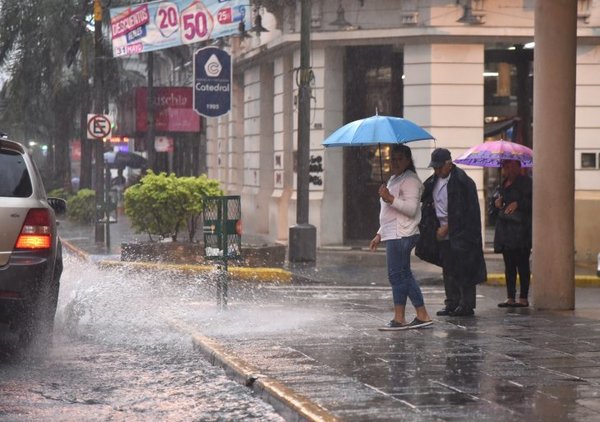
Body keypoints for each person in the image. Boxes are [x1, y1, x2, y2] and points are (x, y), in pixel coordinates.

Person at [369, 144, 433, 331]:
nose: (394, 162)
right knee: (402, 275)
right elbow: (390, 213)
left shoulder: (410, 180)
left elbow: (411, 210)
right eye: (392, 158)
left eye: (399, 158)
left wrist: (390, 198)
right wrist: (380, 233)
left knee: (398, 275)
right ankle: (417, 315)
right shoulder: (395, 179)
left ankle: (403, 317)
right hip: (393, 233)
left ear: (407, 160)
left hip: (402, 233)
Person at [421, 148, 487, 317]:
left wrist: (448, 226)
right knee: (448, 268)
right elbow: (427, 200)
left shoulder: (463, 182)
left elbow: (466, 211)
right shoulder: (433, 181)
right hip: (442, 231)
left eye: (439, 167)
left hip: (462, 233)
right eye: (434, 168)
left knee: (464, 268)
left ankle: (466, 304)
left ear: (448, 164)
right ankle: (452, 302)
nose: (436, 171)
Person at [490, 160, 532, 307]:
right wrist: (497, 204)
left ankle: (523, 297)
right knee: (509, 266)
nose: (509, 170)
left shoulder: (527, 183)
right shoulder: (501, 185)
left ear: (519, 167)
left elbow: (534, 203)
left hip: (521, 232)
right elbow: (493, 212)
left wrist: (518, 204)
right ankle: (510, 297)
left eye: (513, 166)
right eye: (506, 167)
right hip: (505, 232)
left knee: (522, 265)